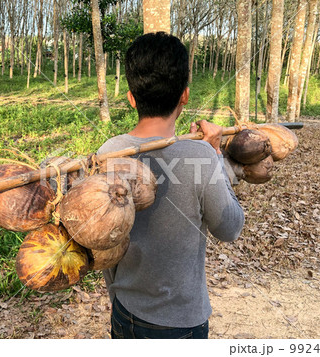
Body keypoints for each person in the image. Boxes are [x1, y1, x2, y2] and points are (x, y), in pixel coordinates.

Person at [96, 32, 245, 339]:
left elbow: (104, 242)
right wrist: (216, 153)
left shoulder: (108, 152)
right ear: (185, 96)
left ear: (132, 98)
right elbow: (230, 228)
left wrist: (117, 299)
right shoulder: (201, 155)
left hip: (125, 311)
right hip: (181, 323)